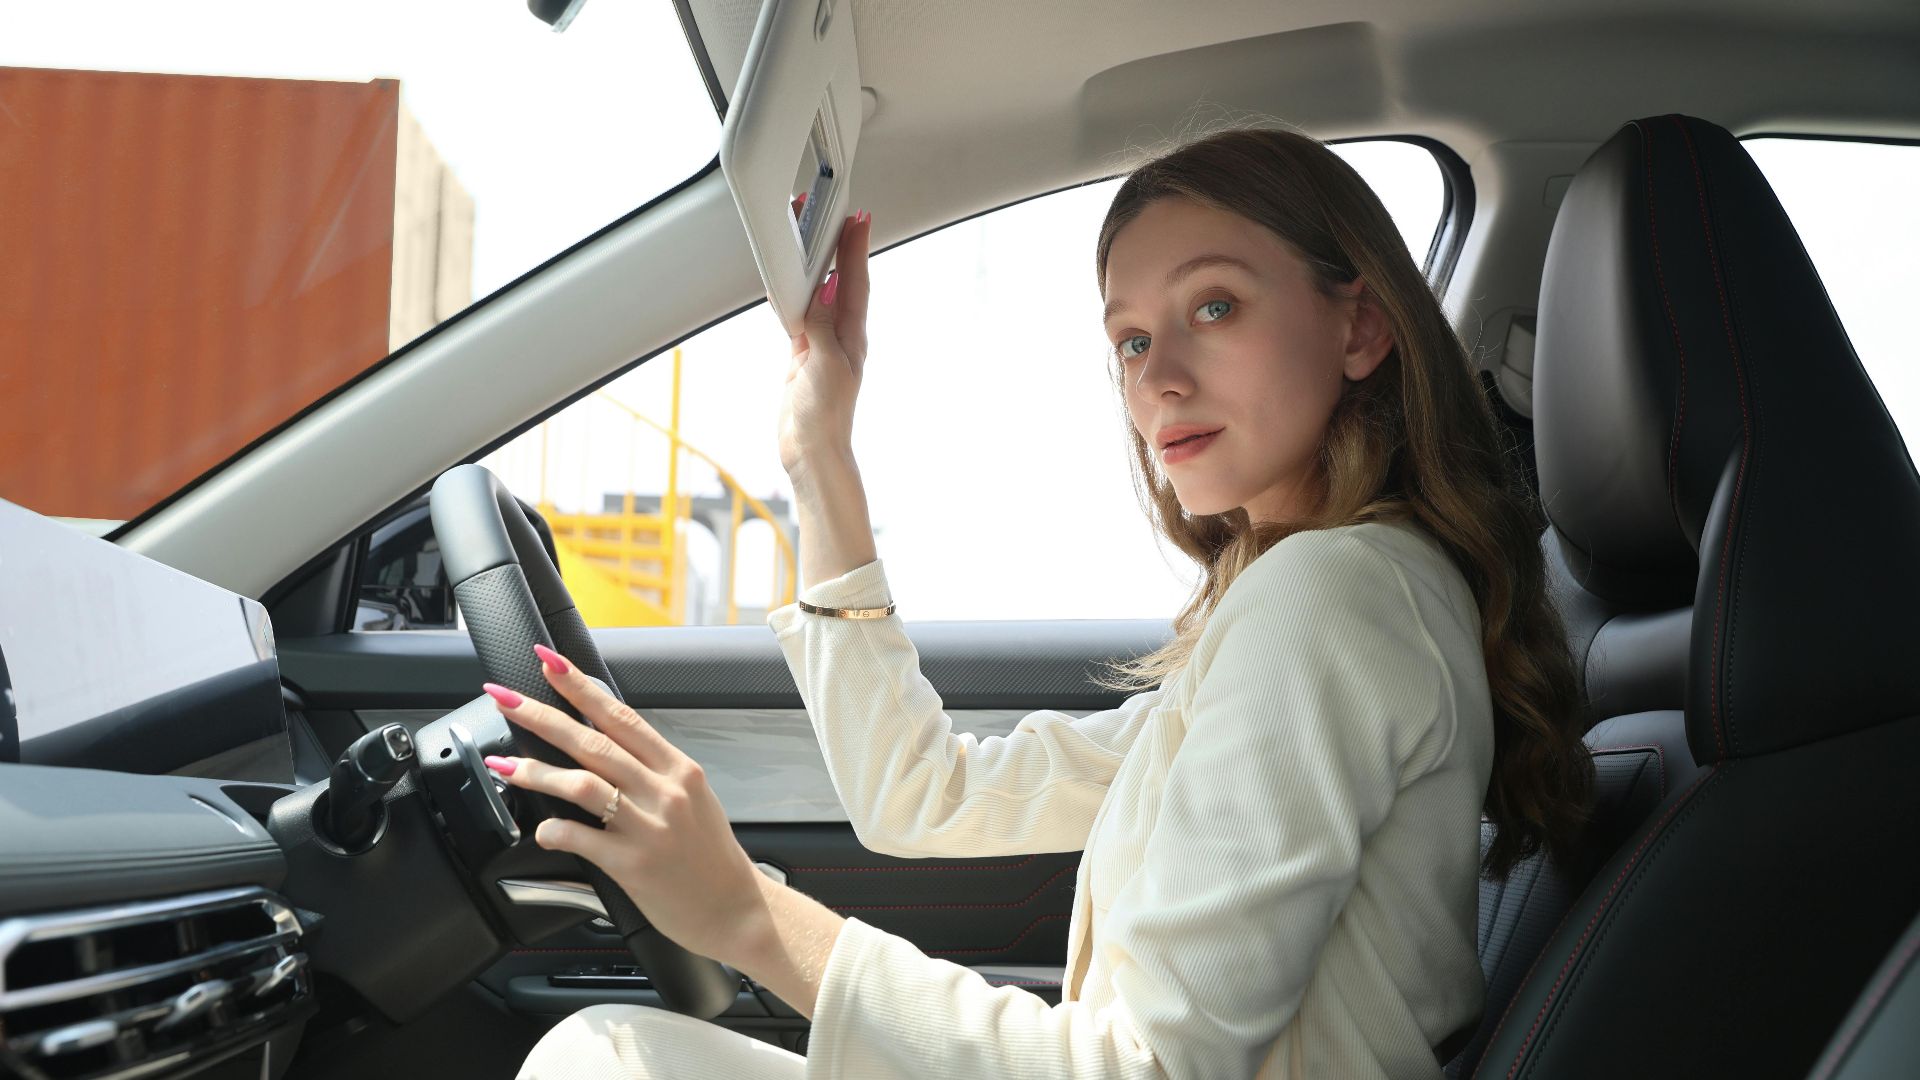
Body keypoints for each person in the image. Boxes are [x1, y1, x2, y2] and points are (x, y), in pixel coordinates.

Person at [499, 124, 1595, 1079]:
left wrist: (746, 911)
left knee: (606, 1059)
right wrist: (819, 450)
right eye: (1129, 338)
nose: (1157, 376)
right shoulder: (1306, 597)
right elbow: (921, 797)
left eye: (1214, 305)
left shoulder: (1335, 600)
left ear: (1360, 328)